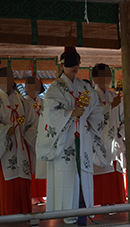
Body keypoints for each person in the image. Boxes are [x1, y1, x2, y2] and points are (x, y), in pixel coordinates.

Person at [35, 47, 108, 224]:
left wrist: (90, 121)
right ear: (61, 66)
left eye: (75, 63)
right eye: (69, 64)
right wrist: (70, 113)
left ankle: (84, 209)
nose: (73, 67)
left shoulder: (85, 87)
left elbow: (97, 108)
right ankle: (67, 213)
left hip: (82, 135)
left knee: (81, 172)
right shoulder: (55, 88)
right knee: (66, 175)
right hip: (64, 139)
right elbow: (50, 113)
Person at [0, 67, 38, 215]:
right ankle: (6, 215)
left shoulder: (21, 101)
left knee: (22, 181)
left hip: (22, 148)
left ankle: (24, 214)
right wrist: (4, 131)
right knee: (6, 186)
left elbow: (34, 122)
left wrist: (26, 135)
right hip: (5, 151)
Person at [91, 63, 126, 205]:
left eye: (108, 75)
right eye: (102, 75)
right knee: (99, 165)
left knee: (114, 164)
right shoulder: (92, 96)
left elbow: (124, 118)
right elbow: (91, 116)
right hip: (97, 137)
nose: (106, 78)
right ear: (95, 78)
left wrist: (121, 131)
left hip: (113, 137)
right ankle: (101, 200)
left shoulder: (113, 95)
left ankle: (114, 200)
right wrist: (110, 106)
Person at [25, 76, 47, 205]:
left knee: (42, 163)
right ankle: (33, 194)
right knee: (31, 164)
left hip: (42, 136)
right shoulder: (23, 102)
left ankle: (42, 194)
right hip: (29, 137)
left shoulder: (44, 102)